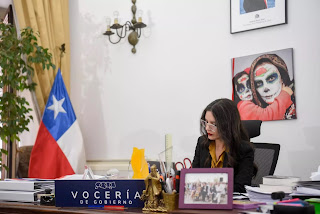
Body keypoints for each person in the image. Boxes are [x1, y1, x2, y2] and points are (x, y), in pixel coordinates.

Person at [192, 98, 255, 193]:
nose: (207, 127)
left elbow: (241, 188)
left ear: (227, 125)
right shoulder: (202, 143)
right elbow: (194, 177)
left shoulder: (244, 150)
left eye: (213, 124)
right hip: (203, 201)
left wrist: (208, 189)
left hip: (229, 204)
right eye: (206, 122)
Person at [249, 54, 296, 119]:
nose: (265, 88)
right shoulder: (255, 112)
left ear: (282, 78)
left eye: (271, 78)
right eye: (259, 83)